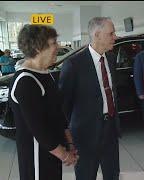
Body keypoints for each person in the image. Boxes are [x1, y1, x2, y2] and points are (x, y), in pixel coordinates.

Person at [9, 24, 78, 180]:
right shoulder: (25, 81)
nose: (58, 47)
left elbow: (58, 114)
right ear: (38, 47)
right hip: (36, 157)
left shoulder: (44, 73)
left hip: (51, 151)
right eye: (54, 43)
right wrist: (65, 156)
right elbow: (39, 129)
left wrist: (70, 144)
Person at [59, 17, 120, 180]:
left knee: (113, 175)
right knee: (86, 176)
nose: (115, 37)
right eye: (111, 33)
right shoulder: (73, 65)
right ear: (97, 35)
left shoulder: (111, 59)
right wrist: (68, 141)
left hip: (110, 130)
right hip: (84, 136)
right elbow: (64, 107)